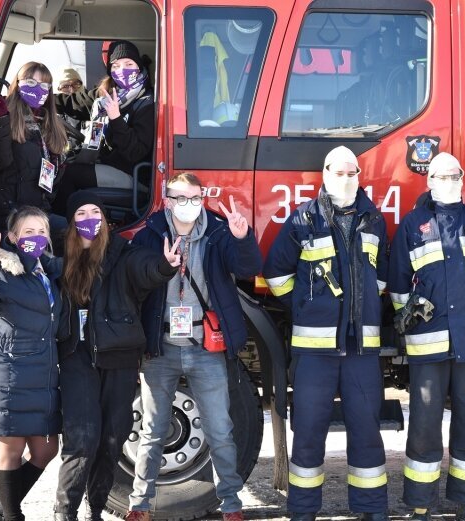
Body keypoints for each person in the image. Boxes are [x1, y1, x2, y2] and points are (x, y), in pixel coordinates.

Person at [125, 173, 262, 521]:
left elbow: (249, 267)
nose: (189, 204)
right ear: (167, 200)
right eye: (181, 197)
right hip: (162, 348)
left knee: (220, 430)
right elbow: (135, 278)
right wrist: (161, 266)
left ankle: (231, 505)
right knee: (152, 431)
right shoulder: (150, 234)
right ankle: (139, 505)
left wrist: (242, 237)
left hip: (205, 348)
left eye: (195, 197)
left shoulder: (218, 232)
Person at [263, 146, 389, 521]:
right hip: (314, 352)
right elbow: (276, 276)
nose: (346, 179)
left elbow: (380, 279)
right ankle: (302, 512)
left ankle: (372, 511)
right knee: (308, 435)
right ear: (325, 173)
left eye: (353, 173)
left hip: (360, 351)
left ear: (360, 176)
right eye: (339, 172)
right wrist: (306, 307)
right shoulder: (303, 219)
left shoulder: (374, 220)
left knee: (367, 432)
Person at [53, 191, 181, 521]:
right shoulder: (59, 258)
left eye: (95, 212)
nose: (89, 219)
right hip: (77, 358)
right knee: (83, 440)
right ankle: (64, 513)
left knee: (113, 437)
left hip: (119, 357)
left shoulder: (123, 253)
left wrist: (164, 265)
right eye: (81, 213)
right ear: (71, 222)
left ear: (106, 221)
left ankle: (95, 510)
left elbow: (146, 269)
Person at [388, 152, 465, 521]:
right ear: (429, 180)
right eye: (441, 176)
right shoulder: (413, 224)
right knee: (424, 422)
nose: (449, 181)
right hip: (428, 342)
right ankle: (420, 502)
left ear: (462, 179)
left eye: (455, 175)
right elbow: (400, 283)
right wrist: (410, 317)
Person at [0, 206, 62, 521]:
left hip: (40, 372)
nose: (36, 237)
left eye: (41, 231)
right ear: (15, 238)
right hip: (10, 372)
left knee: (46, 450)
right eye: (28, 232)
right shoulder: (3, 269)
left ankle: (2, 510)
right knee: (11, 451)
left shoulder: (47, 270)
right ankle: (12, 514)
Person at [52, 40, 155, 214]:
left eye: (129, 64)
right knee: (62, 166)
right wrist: (41, 101)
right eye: (116, 66)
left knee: (69, 175)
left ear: (139, 66)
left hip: (132, 173)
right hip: (108, 162)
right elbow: (74, 102)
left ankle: (63, 229)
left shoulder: (146, 102)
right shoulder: (107, 93)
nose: (122, 70)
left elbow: (135, 152)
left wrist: (116, 118)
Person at [0, 62, 69, 241]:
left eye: (44, 85)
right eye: (30, 83)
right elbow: (1, 161)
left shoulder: (48, 121)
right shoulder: (7, 117)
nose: (38, 89)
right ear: (17, 84)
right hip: (11, 214)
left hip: (38, 210)